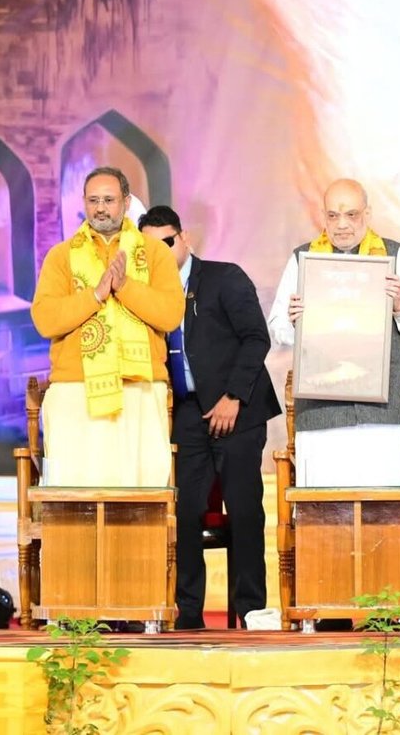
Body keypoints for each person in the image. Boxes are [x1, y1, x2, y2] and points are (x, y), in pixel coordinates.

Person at [135, 204, 278, 631]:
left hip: (238, 410)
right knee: (185, 511)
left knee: (245, 509)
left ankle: (251, 610)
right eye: (150, 247)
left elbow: (256, 338)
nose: (161, 252)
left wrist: (233, 396)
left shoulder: (224, 277)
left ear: (184, 239)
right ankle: (189, 614)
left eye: (167, 242)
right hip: (187, 413)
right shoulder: (146, 294)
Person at [267, 178, 400, 487]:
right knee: (324, 505)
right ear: (323, 216)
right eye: (333, 216)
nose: (341, 224)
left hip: (383, 413)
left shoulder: (392, 255)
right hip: (321, 412)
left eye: (351, 215)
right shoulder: (303, 259)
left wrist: (399, 304)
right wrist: (293, 320)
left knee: (386, 503)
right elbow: (278, 329)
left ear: (367, 214)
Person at [30, 167, 184, 486]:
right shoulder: (61, 256)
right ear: (84, 203)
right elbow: (45, 319)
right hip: (75, 390)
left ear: (126, 202)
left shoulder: (155, 253)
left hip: (139, 389)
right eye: (94, 200)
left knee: (139, 492)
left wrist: (125, 286)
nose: (101, 208)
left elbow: (170, 314)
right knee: (76, 492)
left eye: (109, 200)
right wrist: (96, 295)